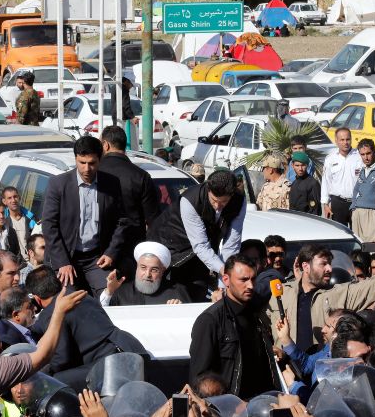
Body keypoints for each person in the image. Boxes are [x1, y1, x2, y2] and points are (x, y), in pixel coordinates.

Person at [268, 243, 375, 350]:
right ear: (306, 266)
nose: (330, 268)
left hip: (321, 374)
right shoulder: (281, 293)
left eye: (330, 263)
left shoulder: (338, 294)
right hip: (286, 375)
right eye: (323, 264)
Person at [27, 265, 144, 391]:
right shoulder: (81, 294)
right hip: (131, 348)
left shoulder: (52, 314)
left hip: (110, 366)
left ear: (37, 299)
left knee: (51, 381)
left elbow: (62, 360)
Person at [41, 136, 130, 296]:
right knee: (70, 301)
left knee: (111, 295)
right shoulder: (58, 184)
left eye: (92, 163)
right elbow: (49, 225)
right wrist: (62, 262)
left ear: (100, 159)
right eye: (82, 163)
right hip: (66, 257)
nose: (86, 169)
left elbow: (122, 221)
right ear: (75, 159)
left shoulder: (111, 183)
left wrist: (111, 252)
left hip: (96, 258)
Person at [189, 255, 280, 399]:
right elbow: (200, 380)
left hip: (262, 407)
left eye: (253, 279)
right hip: (228, 412)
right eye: (243, 280)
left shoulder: (256, 315)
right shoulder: (210, 320)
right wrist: (229, 405)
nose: (250, 285)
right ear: (226, 280)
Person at [147, 169, 246, 302]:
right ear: (208, 188)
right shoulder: (190, 200)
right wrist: (224, 270)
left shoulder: (239, 201)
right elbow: (200, 245)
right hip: (171, 247)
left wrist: (223, 284)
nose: (217, 206)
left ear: (232, 194)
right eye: (214, 200)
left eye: (223, 202)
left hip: (200, 253)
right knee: (175, 295)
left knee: (199, 292)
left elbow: (231, 245)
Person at [98, 125, 160, 248]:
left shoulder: (93, 173)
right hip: (133, 245)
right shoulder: (141, 176)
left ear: (105, 145)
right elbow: (153, 219)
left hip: (99, 247)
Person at [100, 241, 190, 306]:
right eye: (143, 268)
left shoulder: (177, 292)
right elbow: (101, 318)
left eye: (154, 269)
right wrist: (109, 292)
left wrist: (180, 310)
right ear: (137, 267)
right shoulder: (121, 292)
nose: (147, 274)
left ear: (163, 271)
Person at [350, 139, 375, 243]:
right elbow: (357, 188)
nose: (366, 157)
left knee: (374, 247)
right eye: (362, 154)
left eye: (368, 153)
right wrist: (353, 207)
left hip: (373, 213)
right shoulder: (363, 169)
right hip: (358, 212)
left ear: (374, 151)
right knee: (359, 247)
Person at [1, 187, 37, 263]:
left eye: (15, 197)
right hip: (12, 263)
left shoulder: (31, 219)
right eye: (9, 198)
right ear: (4, 201)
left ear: (19, 198)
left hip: (31, 262)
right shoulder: (2, 221)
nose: (13, 200)